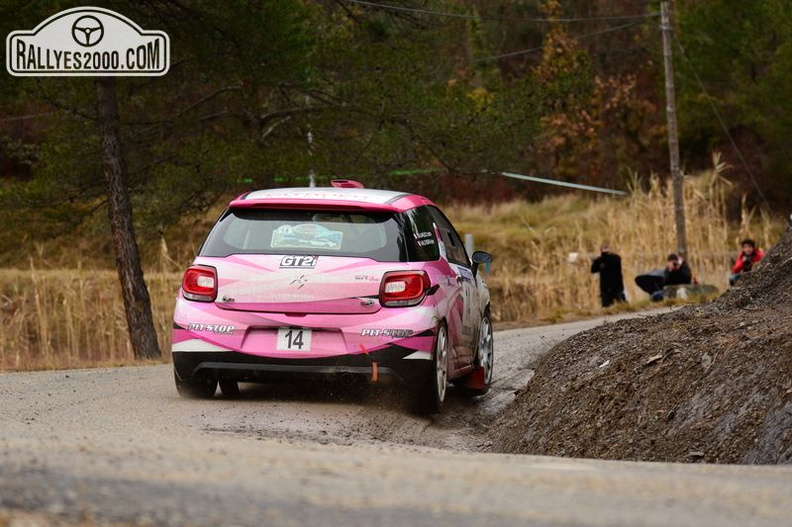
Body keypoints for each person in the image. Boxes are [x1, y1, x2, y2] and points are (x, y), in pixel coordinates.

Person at [590, 243, 626, 307]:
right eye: (604, 249)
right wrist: (600, 259)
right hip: (605, 287)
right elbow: (593, 270)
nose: (606, 250)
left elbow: (614, 262)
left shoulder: (616, 258)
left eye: (607, 248)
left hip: (617, 285)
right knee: (606, 306)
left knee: (622, 303)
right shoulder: (599, 260)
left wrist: (603, 257)